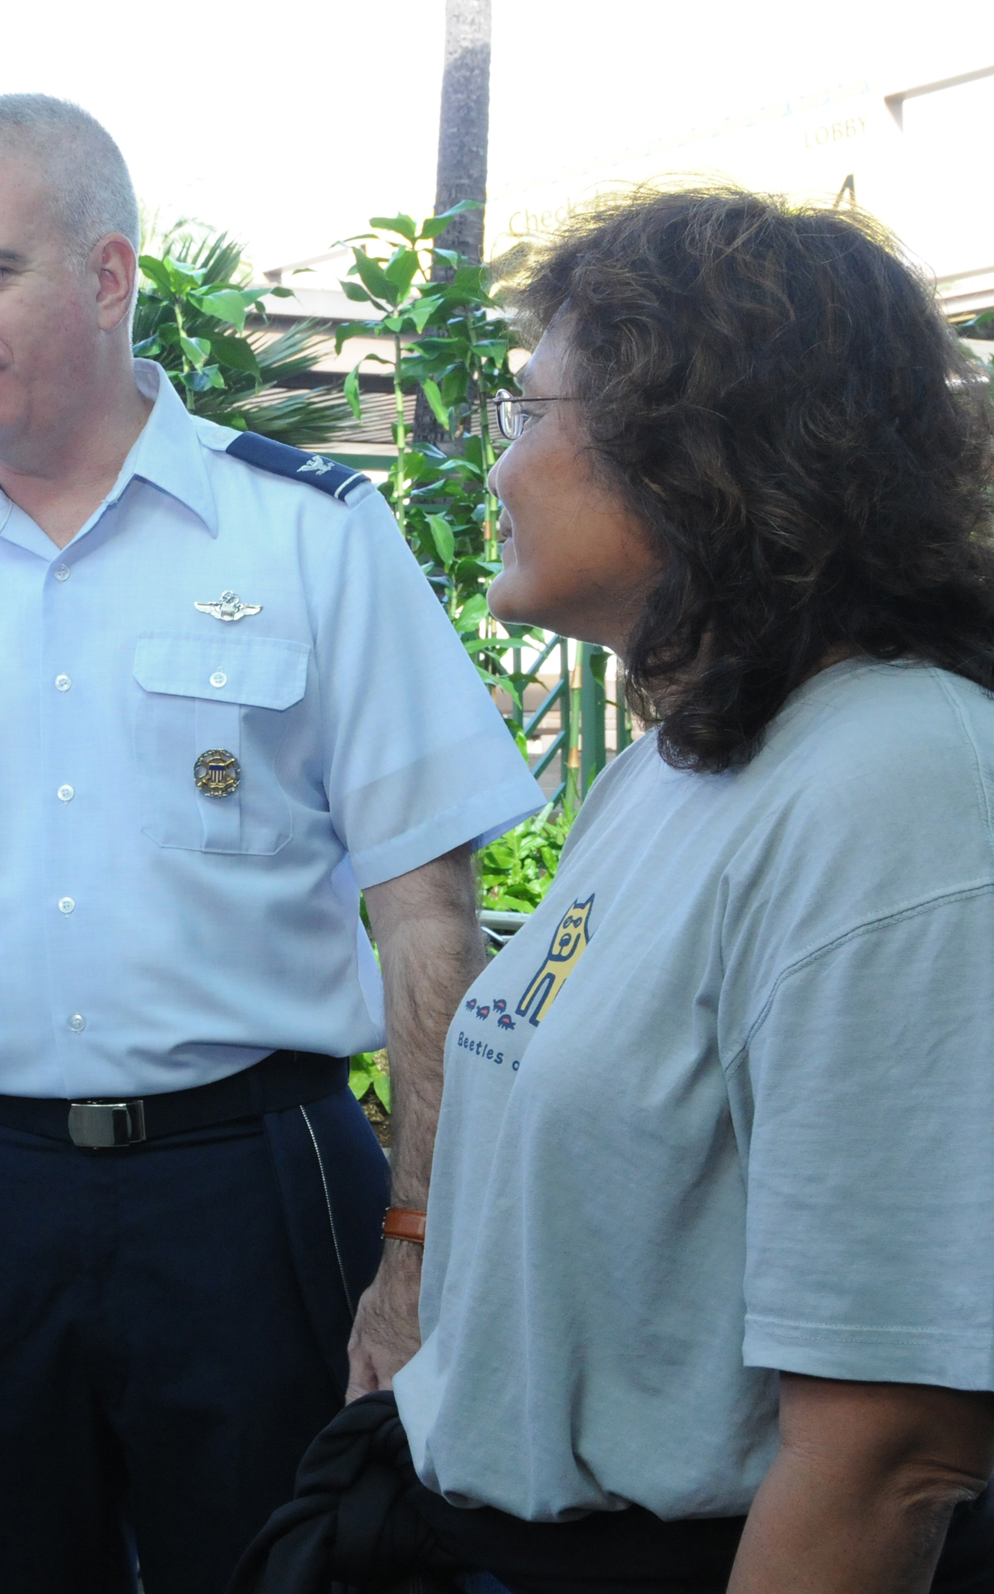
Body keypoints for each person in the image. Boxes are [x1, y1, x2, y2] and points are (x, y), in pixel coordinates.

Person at [0, 94, 544, 1594]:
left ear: (111, 275)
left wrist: (417, 1245)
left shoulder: (308, 535)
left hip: (248, 1183)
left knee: (271, 1568)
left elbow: (426, 911)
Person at [238, 190, 994, 1594]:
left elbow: (894, 1448)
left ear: (690, 439)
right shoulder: (687, 755)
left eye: (529, 412)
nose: (498, 469)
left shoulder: (896, 788)